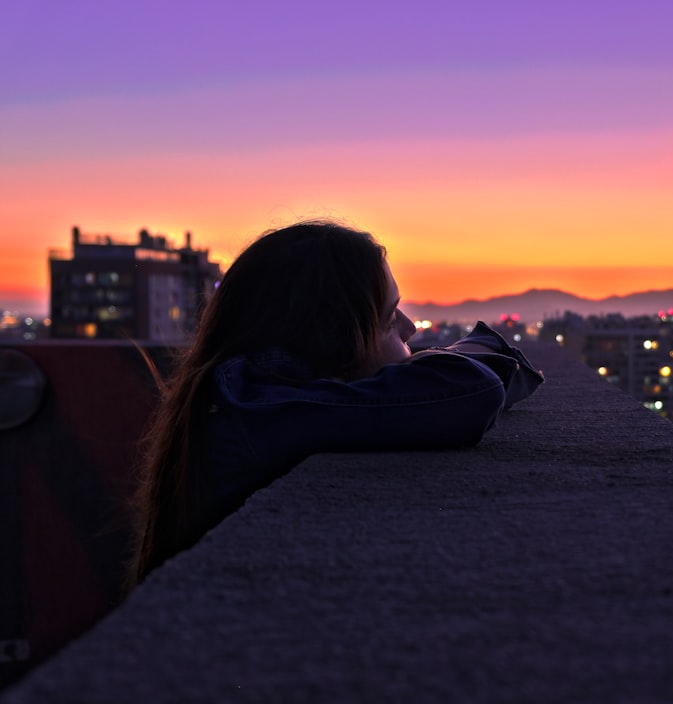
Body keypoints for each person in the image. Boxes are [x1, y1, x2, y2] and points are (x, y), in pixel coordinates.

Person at [129, 220, 543, 587]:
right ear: (335, 338)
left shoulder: (258, 391)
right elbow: (471, 389)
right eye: (388, 317)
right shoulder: (259, 407)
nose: (409, 329)